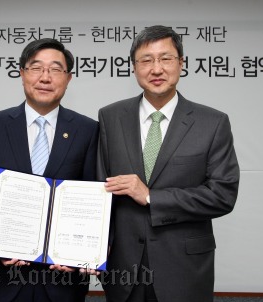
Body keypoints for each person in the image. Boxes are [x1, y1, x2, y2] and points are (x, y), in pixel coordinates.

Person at [97, 25, 240, 302]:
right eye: (146, 60)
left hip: (183, 268)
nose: (156, 68)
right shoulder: (110, 117)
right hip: (123, 268)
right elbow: (99, 190)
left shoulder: (212, 123)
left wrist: (151, 196)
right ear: (134, 67)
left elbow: (223, 195)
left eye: (166, 58)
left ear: (181, 63)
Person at [0, 38, 99, 302]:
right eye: (36, 67)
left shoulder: (87, 130)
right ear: (22, 74)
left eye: (55, 69)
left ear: (69, 78)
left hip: (63, 279)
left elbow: (94, 196)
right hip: (4, 276)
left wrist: (79, 253)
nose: (45, 77)